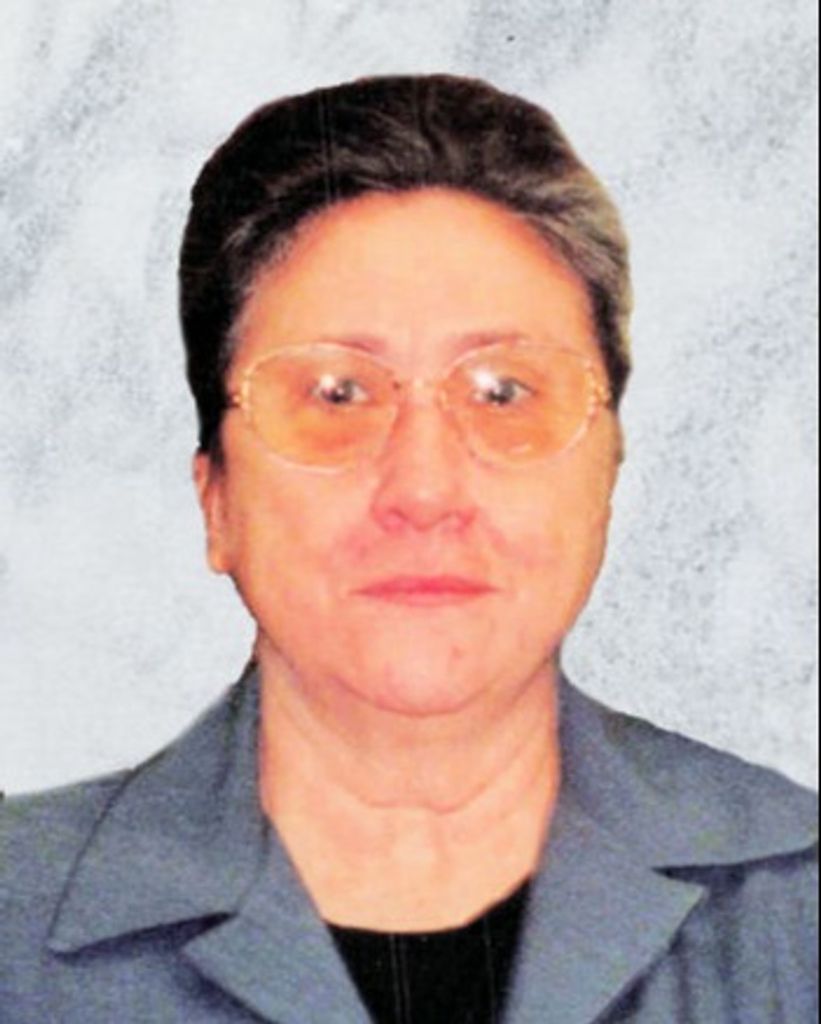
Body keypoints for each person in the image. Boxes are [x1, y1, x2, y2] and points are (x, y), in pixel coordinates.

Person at [1, 74, 816, 1023]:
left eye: (504, 393)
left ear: (606, 473)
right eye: (335, 395)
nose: (424, 492)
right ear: (215, 494)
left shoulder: (794, 916)